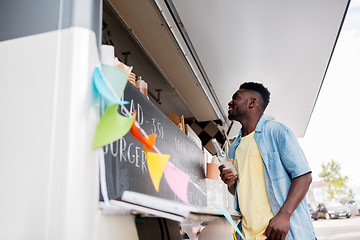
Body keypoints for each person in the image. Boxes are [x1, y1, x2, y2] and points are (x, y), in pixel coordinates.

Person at [219, 82, 316, 240]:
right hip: (247, 234)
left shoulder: (276, 131)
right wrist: (230, 182)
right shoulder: (234, 147)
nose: (230, 102)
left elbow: (304, 176)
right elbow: (238, 190)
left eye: (235, 97)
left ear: (252, 102)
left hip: (279, 233)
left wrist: (284, 215)